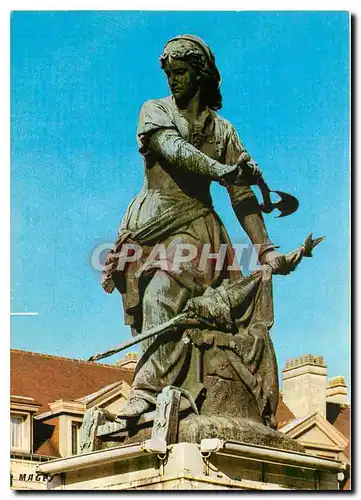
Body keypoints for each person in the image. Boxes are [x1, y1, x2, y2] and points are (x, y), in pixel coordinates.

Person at [103, 35, 286, 419]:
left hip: (197, 228)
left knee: (166, 297)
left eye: (182, 72)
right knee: (159, 297)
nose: (173, 80)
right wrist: (223, 170)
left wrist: (265, 246)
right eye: (170, 73)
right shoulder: (155, 111)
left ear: (201, 75)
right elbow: (174, 150)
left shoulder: (223, 131)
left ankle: (153, 390)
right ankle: (157, 388)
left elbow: (242, 197)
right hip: (153, 223)